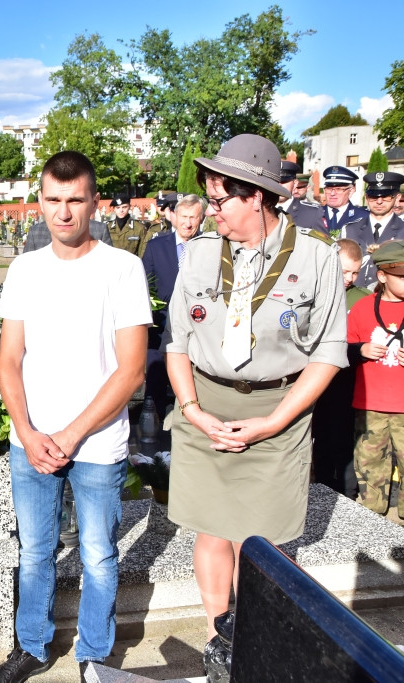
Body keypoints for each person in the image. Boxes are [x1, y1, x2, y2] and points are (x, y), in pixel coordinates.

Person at [163, 135, 347, 649]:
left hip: (276, 413)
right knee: (211, 529)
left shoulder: (315, 258)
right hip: (205, 406)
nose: (210, 212)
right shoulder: (199, 255)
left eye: (221, 201)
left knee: (261, 541)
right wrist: (192, 409)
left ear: (258, 196)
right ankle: (217, 636)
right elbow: (177, 340)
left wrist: (272, 423)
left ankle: (258, 638)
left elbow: (328, 353)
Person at [0, 151, 151, 683]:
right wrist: (30, 434)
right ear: (40, 202)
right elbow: (9, 359)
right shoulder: (26, 269)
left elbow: (129, 372)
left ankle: (95, 655)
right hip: (31, 442)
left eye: (75, 200)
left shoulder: (122, 269)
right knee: (35, 552)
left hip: (98, 444)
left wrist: (72, 433)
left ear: (93, 202)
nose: (63, 212)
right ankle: (31, 646)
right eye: (53, 201)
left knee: (99, 555)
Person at [349, 241, 404, 525]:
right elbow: (341, 349)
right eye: (401, 276)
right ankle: (374, 522)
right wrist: (360, 350)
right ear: (382, 275)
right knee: (370, 464)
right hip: (371, 405)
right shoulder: (361, 308)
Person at [312, 238, 371, 499]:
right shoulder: (316, 291)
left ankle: (347, 493)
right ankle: (321, 486)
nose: (349, 277)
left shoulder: (362, 298)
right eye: (344, 270)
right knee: (320, 436)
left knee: (344, 438)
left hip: (348, 380)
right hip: (316, 376)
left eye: (355, 272)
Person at [141, 194, 206, 411]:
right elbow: (144, 284)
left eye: (194, 217)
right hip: (162, 327)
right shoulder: (156, 247)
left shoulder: (210, 247)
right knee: (156, 384)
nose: (188, 223)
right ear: (174, 216)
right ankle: (154, 428)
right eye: (184, 216)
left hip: (199, 327)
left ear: (202, 218)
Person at [352, 171, 404, 288]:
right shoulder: (350, 229)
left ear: (397, 198)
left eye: (385, 196)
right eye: (373, 196)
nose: (379, 201)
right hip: (354, 299)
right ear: (366, 197)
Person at [276, 161, 325, 232]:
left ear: (295, 183)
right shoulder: (260, 210)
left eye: (284, 182)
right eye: (276, 181)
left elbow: (323, 242)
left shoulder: (313, 213)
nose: (279, 186)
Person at [322, 166, 368, 237]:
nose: (332, 193)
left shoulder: (364, 217)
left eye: (339, 189)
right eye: (329, 188)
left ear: (352, 190)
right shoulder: (315, 214)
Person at [24, 217, 112, 252]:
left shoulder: (99, 230)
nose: (64, 214)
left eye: (74, 201)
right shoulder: (36, 232)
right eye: (54, 200)